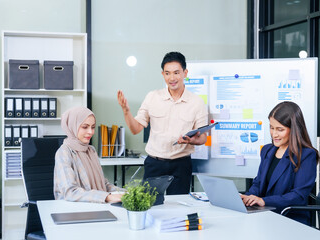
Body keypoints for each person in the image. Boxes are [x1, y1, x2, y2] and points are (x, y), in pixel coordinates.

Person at [117, 52, 208, 195]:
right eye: (167, 73)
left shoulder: (196, 102)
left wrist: (191, 140)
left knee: (178, 208)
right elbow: (136, 129)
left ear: (185, 73)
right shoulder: (152, 97)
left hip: (181, 164)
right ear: (163, 74)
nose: (172, 78)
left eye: (176, 73)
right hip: (155, 163)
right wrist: (126, 110)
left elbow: (203, 138)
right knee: (150, 206)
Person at [241, 101, 319, 225]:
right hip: (264, 215)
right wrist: (248, 197)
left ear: (293, 130)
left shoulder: (306, 155)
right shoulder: (267, 150)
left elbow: (298, 196)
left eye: (280, 129)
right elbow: (258, 183)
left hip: (290, 219)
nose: (274, 134)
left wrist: (264, 201)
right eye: (271, 128)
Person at [54, 106, 125, 203]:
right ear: (72, 126)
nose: (90, 132)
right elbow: (70, 192)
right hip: (74, 210)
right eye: (85, 127)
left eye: (93, 127)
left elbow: (104, 185)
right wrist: (107, 197)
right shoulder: (64, 152)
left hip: (96, 207)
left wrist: (127, 193)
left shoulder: (91, 150)